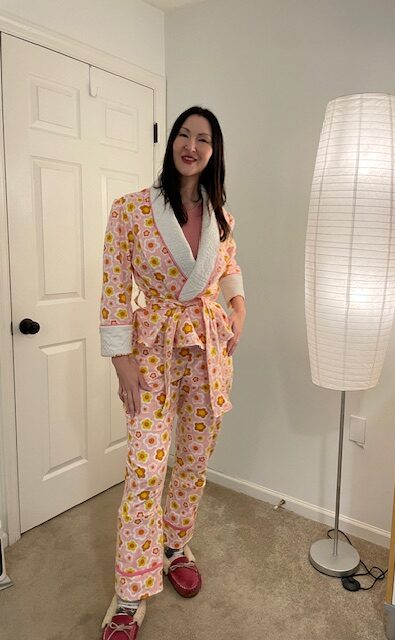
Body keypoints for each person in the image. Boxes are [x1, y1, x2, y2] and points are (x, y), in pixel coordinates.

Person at [99, 106, 246, 640]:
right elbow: (114, 285)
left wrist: (239, 305)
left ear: (213, 151)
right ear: (172, 143)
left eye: (203, 139)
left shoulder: (221, 214)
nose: (191, 145)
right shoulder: (131, 210)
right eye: (184, 134)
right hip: (153, 352)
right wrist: (121, 359)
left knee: (192, 460)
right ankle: (130, 589)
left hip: (208, 350)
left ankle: (175, 544)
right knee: (145, 469)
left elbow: (229, 266)